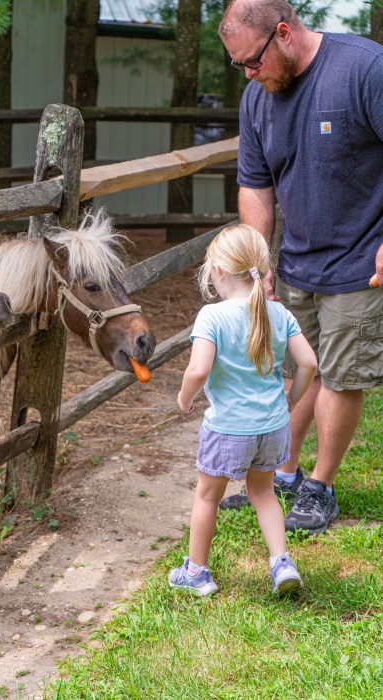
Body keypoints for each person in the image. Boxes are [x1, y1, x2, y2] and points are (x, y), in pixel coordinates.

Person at [217, 0, 383, 533]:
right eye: (238, 64)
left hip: (362, 259)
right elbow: (255, 185)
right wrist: (255, 263)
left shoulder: (363, 69)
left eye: (252, 61)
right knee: (298, 367)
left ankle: (321, 484)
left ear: (284, 34)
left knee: (338, 372)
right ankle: (284, 471)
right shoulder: (257, 98)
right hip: (297, 261)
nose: (248, 73)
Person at [168, 224, 317, 596]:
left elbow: (199, 369)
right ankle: (282, 562)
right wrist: (291, 401)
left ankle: (196, 572)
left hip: (230, 428)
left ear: (217, 272)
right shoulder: (278, 314)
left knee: (207, 496)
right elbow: (309, 364)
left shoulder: (212, 317)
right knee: (263, 492)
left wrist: (185, 397)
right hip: (273, 426)